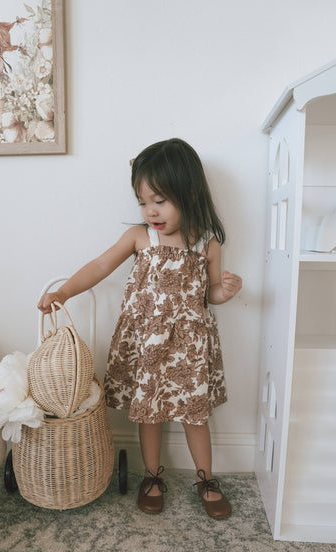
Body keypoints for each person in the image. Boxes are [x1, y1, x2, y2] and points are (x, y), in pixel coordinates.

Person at [38, 138, 242, 519]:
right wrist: (63, 291)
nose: (151, 211)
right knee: (149, 413)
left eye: (160, 200)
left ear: (189, 191)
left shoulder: (206, 243)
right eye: (143, 202)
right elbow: (100, 266)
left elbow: (209, 294)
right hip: (147, 345)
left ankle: (206, 478)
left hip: (189, 347)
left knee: (194, 415)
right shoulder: (139, 237)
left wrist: (225, 291)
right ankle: (152, 475)